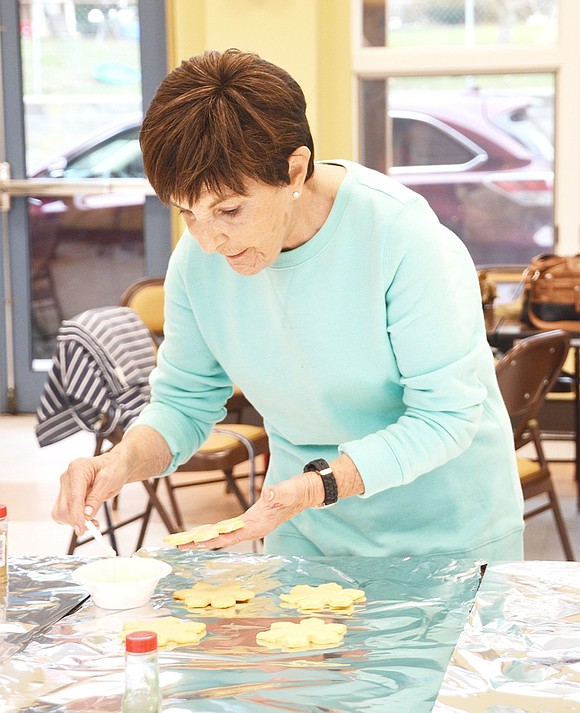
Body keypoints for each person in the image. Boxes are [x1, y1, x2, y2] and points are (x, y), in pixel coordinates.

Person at [52, 48, 524, 561]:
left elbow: (444, 420)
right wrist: (121, 462)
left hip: (447, 534)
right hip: (305, 528)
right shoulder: (198, 261)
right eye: (188, 212)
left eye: (230, 209)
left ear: (294, 170)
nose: (208, 241)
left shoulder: (402, 239)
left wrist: (315, 486)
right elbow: (184, 405)